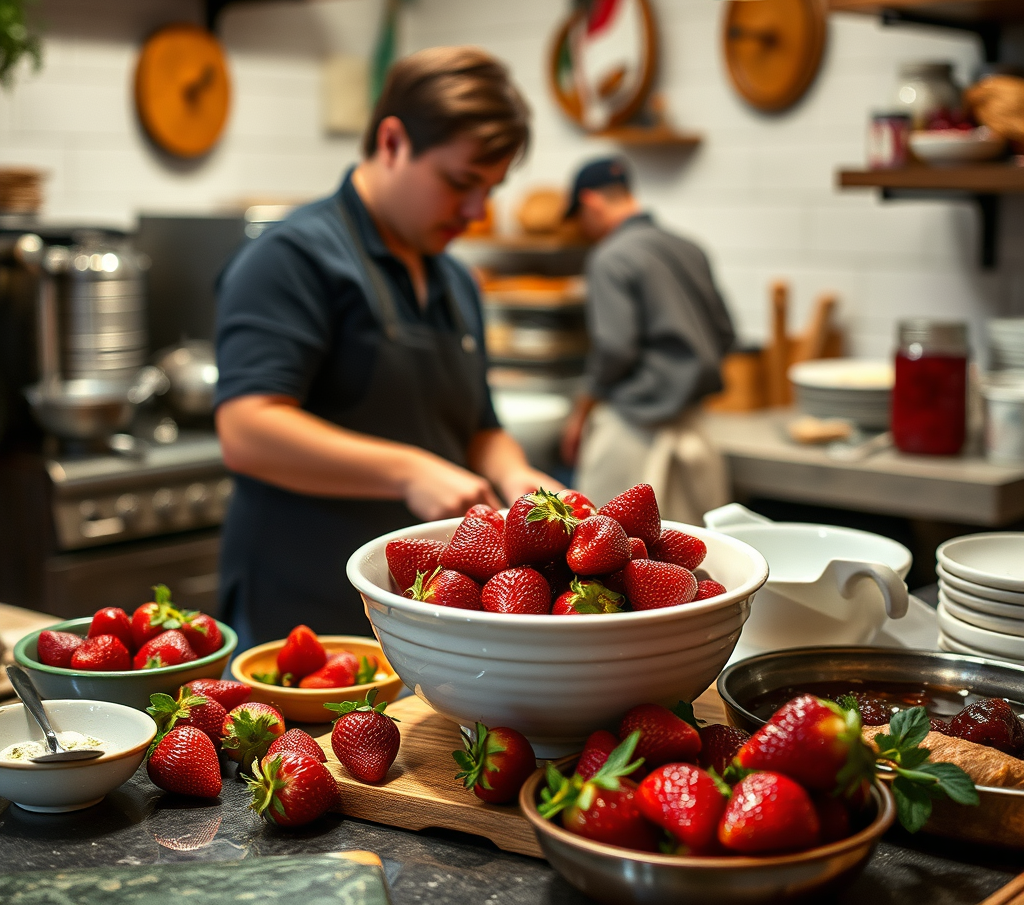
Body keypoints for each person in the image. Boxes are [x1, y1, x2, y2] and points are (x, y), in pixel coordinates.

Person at [214, 47, 556, 647]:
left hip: (424, 613)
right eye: (460, 183)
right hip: (305, 606)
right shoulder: (292, 259)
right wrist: (407, 472)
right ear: (393, 142)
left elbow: (477, 424)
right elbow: (246, 429)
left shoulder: (454, 280)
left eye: (492, 189)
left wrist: (514, 472)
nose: (477, 213)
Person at [560, 157, 736, 521]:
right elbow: (725, 333)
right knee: (690, 561)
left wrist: (582, 408)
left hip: (633, 432)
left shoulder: (610, 257)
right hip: (695, 426)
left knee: (608, 555)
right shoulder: (689, 247)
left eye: (579, 217)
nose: (583, 229)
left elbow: (614, 348)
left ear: (591, 203)